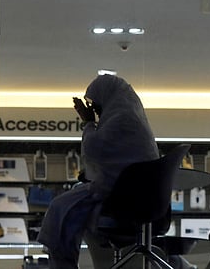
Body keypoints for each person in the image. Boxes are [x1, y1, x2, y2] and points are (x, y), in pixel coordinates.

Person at [38, 74, 160, 268]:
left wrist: (88, 123)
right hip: (138, 199)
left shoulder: (121, 120)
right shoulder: (133, 120)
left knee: (60, 207)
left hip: (121, 200)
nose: (95, 110)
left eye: (96, 105)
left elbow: (94, 149)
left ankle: (62, 263)